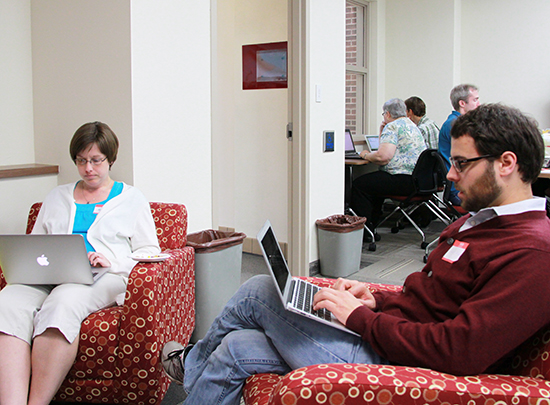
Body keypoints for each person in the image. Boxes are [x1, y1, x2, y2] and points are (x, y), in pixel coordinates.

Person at [161, 103, 550, 405]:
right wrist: (376, 298)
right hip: (388, 340)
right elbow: (435, 301)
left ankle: (189, 364)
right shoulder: (481, 222)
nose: (449, 174)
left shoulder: (531, 251)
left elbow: (459, 350)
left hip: (403, 370)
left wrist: (362, 319)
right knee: (236, 346)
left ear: (507, 164)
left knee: (260, 289)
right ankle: (195, 370)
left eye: (462, 164)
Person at [0, 122, 160, 405]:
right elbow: (37, 244)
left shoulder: (131, 199)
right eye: (81, 161)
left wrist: (110, 260)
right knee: (7, 302)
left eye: (96, 161)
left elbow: (149, 250)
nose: (89, 169)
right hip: (50, 273)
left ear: (110, 158)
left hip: (104, 275)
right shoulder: (56, 196)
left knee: (62, 303)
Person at [349, 98, 426, 231]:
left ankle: (365, 230)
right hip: (417, 180)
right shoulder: (412, 125)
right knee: (375, 183)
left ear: (388, 114)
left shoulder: (393, 126)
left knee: (359, 186)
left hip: (401, 179)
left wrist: (365, 155)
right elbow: (385, 150)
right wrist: (381, 132)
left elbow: (383, 157)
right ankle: (373, 223)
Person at [438, 84, 480, 205]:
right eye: (475, 100)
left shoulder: (460, 123)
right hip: (459, 187)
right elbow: (472, 154)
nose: (479, 104)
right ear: (462, 103)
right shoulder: (455, 125)